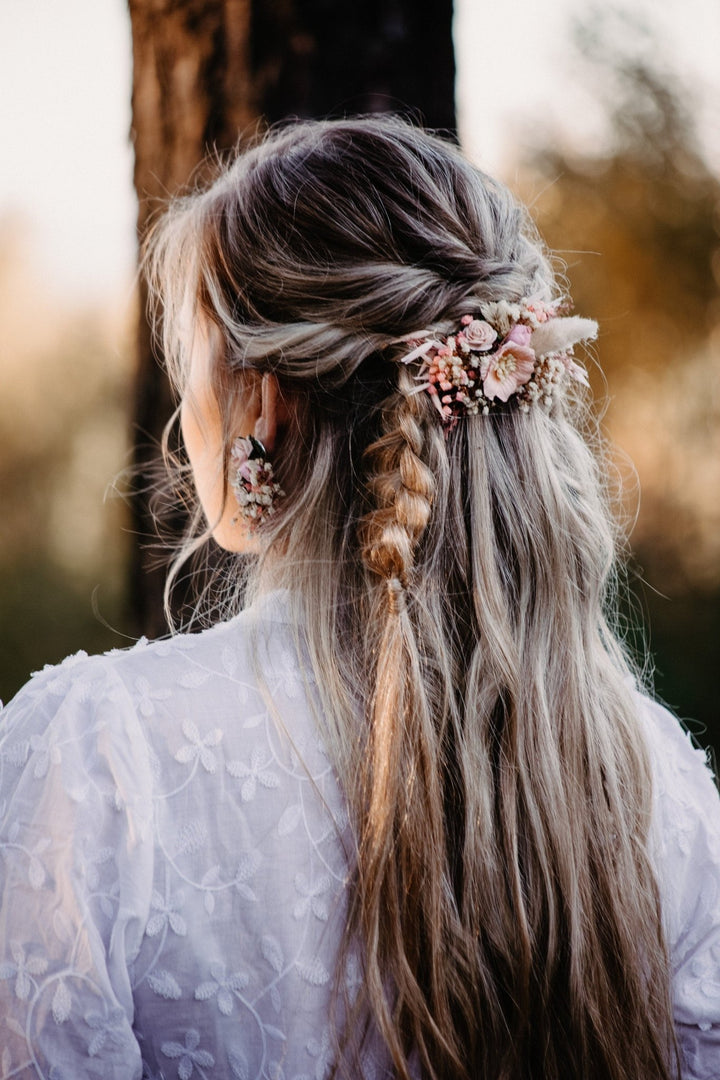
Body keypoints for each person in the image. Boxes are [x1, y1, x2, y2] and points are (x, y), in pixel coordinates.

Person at [0, 117, 718, 1080]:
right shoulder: (650, 781)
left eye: (197, 366)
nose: (188, 410)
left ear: (264, 406)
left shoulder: (96, 757)